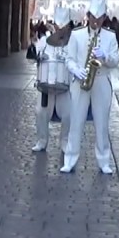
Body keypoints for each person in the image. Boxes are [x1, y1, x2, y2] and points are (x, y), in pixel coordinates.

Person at [62, 0, 119, 174]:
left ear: (104, 18)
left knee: (102, 123)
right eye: (93, 18)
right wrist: (75, 70)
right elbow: (68, 58)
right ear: (88, 16)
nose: (95, 22)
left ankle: (104, 160)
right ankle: (70, 159)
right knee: (76, 121)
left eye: (99, 18)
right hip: (81, 79)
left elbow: (116, 61)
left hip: (101, 80)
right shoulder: (76, 34)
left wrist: (106, 56)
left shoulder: (110, 37)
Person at [32, 8, 74, 153]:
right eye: (57, 26)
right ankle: (42, 140)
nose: (59, 29)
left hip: (65, 83)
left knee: (68, 113)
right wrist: (39, 55)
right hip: (46, 83)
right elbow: (37, 52)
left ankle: (64, 141)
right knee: (40, 112)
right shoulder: (45, 40)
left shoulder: (72, 42)